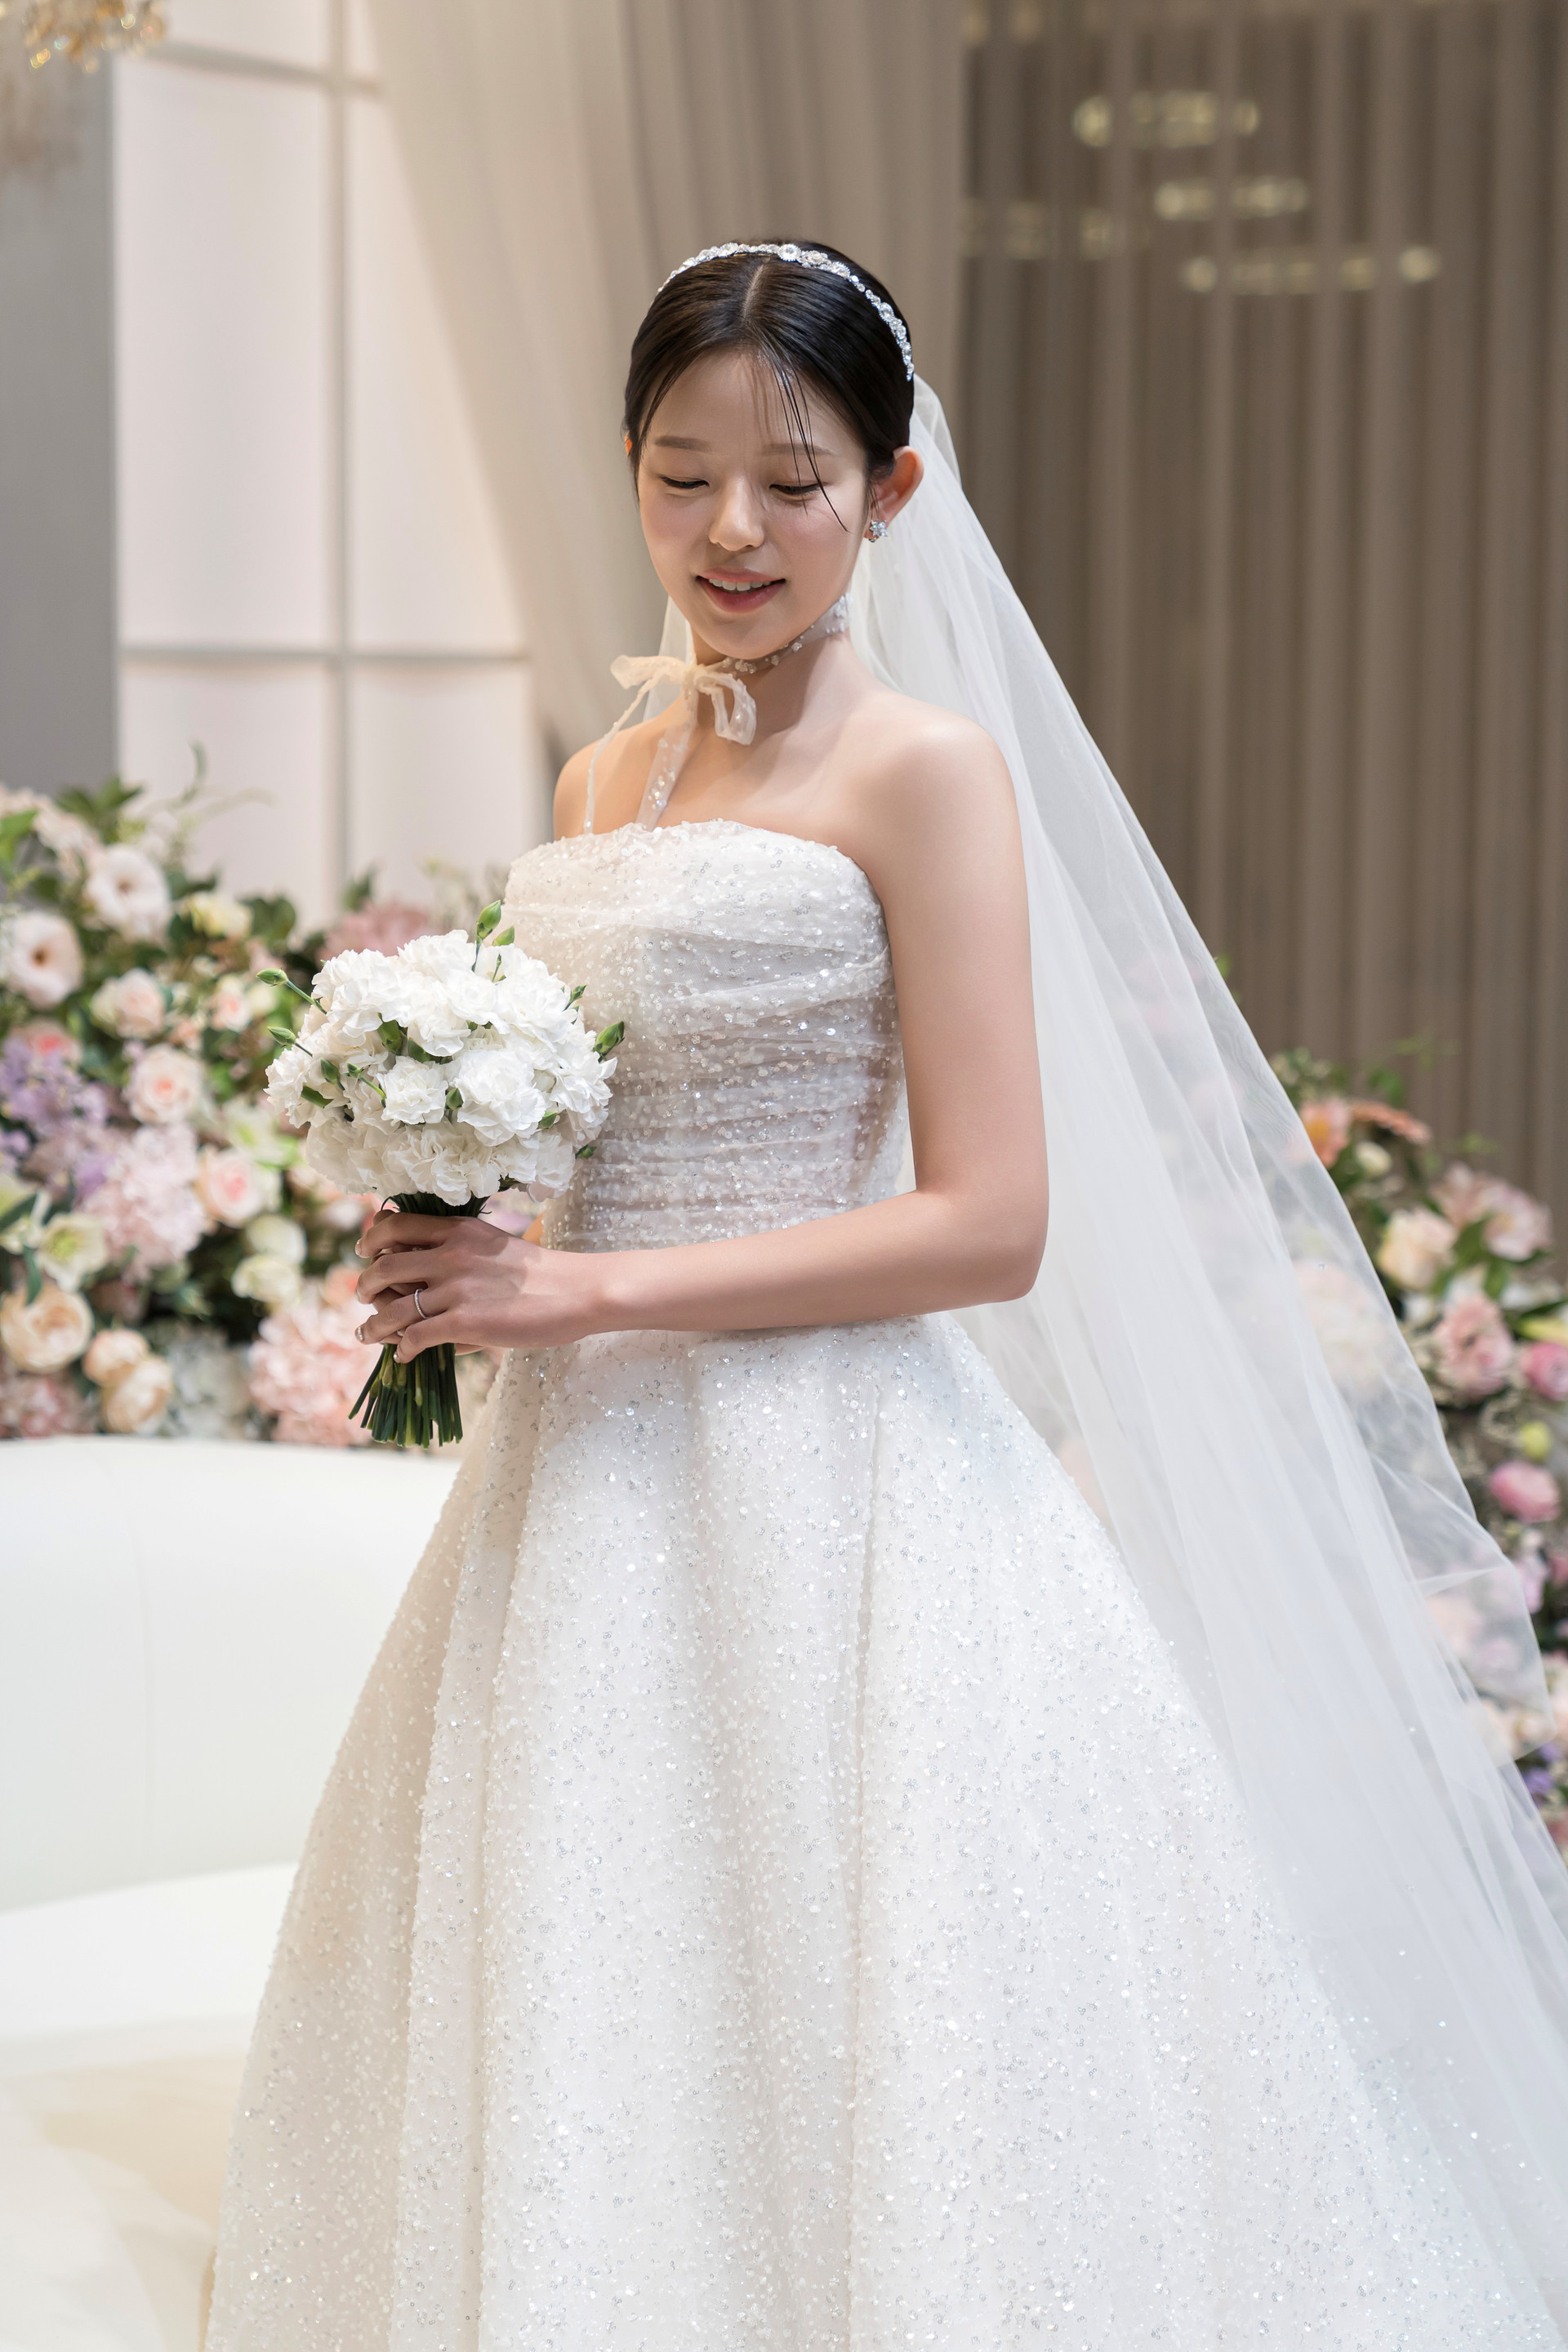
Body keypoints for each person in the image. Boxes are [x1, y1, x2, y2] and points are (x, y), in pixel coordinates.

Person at [207, 243, 1568, 2350]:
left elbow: (992, 1221)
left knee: (869, 1974)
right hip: (578, 1484)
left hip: (832, 1475)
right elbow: (599, 1120)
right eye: (682, 477)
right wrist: (449, 1202)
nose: (732, 531)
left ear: (892, 491)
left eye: (795, 480)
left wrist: (583, 1290)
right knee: (597, 1949)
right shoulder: (601, 782)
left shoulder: (926, 769)